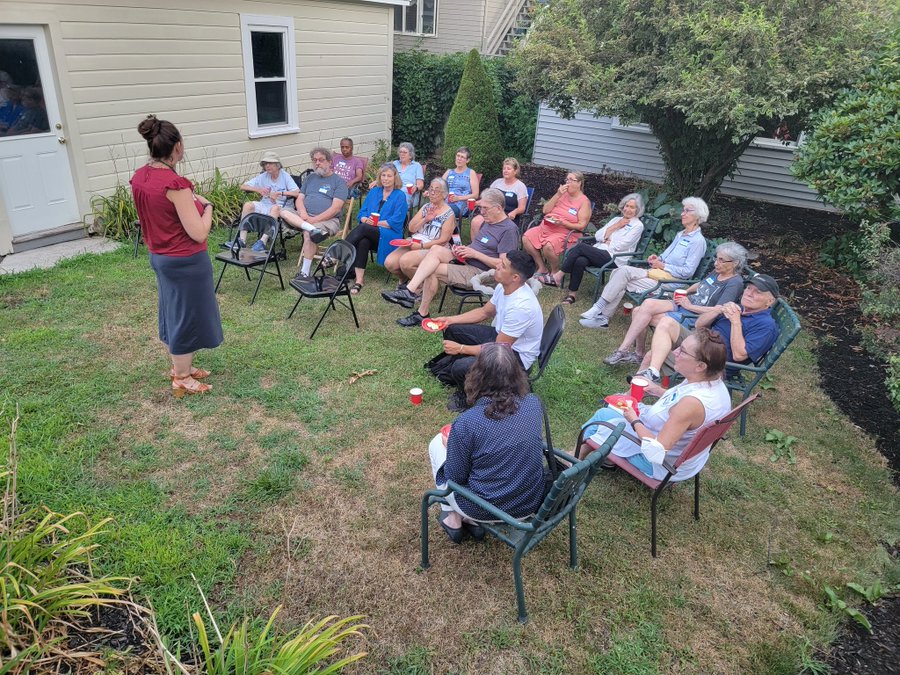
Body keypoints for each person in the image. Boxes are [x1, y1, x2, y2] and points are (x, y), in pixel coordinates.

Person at [129, 115, 222, 398]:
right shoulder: (174, 184)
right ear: (177, 147)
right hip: (185, 260)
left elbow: (161, 213)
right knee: (187, 316)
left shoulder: (141, 176)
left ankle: (184, 367)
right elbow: (198, 232)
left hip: (161, 256)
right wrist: (207, 210)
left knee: (174, 311)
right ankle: (181, 377)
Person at [428, 343, 551, 543]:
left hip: (483, 508)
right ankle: (468, 521)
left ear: (477, 374)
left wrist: (452, 446)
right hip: (529, 501)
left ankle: (454, 518)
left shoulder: (468, 422)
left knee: (436, 444)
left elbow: (455, 478)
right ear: (517, 374)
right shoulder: (533, 402)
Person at [576, 328, 732, 485]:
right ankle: (605, 458)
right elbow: (683, 410)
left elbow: (656, 451)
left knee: (603, 416)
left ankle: (574, 460)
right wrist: (658, 390)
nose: (675, 352)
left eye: (683, 351)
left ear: (700, 366)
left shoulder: (691, 404)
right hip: (686, 458)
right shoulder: (713, 383)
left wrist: (634, 420)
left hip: (660, 465)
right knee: (614, 406)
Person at [380, 188, 519, 328]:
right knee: (435, 249)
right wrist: (462, 249)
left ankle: (420, 311)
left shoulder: (509, 230)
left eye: (485, 208)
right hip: (466, 260)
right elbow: (479, 246)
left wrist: (475, 254)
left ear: (498, 208)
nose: (481, 212)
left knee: (432, 270)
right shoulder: (488, 221)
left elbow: (504, 265)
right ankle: (410, 291)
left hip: (481, 271)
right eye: (480, 208)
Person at [426, 250, 543, 411]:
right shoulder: (505, 287)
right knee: (453, 330)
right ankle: (462, 374)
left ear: (515, 277)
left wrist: (461, 348)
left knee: (460, 367)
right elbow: (484, 312)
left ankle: (469, 397)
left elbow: (499, 349)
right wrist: (450, 320)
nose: (497, 266)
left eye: (503, 266)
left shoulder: (521, 307)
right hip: (501, 339)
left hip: (515, 358)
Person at [603, 242, 748, 366]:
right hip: (685, 304)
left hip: (695, 317)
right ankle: (631, 352)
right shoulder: (717, 272)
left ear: (735, 263)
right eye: (717, 258)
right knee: (644, 306)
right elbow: (702, 284)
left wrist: (690, 306)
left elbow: (718, 310)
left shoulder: (735, 283)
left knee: (641, 314)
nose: (717, 262)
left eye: (722, 260)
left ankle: (631, 353)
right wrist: (685, 292)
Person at [580, 197, 709, 329]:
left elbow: (688, 272)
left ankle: (601, 315)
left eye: (687, 211)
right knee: (620, 270)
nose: (682, 213)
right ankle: (600, 312)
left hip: (668, 283)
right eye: (683, 210)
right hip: (656, 273)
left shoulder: (698, 242)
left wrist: (663, 266)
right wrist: (657, 258)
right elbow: (665, 256)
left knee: (621, 278)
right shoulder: (681, 234)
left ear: (698, 216)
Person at [634, 274, 781, 384]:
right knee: (666, 322)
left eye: (758, 292)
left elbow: (739, 355)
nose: (749, 293)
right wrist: (717, 310)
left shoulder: (766, 326)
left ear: (769, 301)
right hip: (702, 343)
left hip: (714, 364)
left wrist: (736, 322)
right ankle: (650, 375)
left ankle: (633, 395)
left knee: (652, 355)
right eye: (749, 288)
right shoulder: (739, 308)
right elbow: (699, 325)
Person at [556, 193, 646, 304]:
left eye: (632, 207)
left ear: (638, 210)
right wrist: (616, 226)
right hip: (601, 252)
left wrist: (608, 241)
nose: (627, 209)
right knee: (580, 261)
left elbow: (622, 246)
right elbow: (598, 235)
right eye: (626, 206)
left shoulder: (638, 226)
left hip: (615, 258)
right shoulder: (616, 220)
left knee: (580, 247)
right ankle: (572, 295)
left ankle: (559, 275)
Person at [281, 147, 348, 281]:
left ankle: (305, 273)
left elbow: (335, 209)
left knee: (308, 234)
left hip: (328, 221)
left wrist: (314, 219)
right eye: (314, 160)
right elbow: (299, 198)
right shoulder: (310, 178)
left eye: (321, 160)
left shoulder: (339, 182)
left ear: (329, 162)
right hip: (304, 217)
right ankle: (310, 228)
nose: (317, 163)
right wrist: (303, 213)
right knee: (281, 210)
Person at [344, 163, 408, 295]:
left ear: (395, 177)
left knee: (364, 229)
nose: (385, 178)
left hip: (390, 234)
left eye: (389, 176)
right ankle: (359, 280)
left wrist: (374, 223)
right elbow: (362, 213)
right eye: (383, 175)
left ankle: (341, 251)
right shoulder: (374, 192)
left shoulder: (400, 195)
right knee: (363, 241)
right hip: (371, 232)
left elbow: (396, 222)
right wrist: (364, 219)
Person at [384, 177, 456, 289]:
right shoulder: (426, 207)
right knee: (390, 263)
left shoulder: (449, 214)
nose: (432, 192)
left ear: (444, 194)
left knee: (405, 261)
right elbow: (412, 228)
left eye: (436, 190)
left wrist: (421, 246)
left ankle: (423, 288)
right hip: (414, 242)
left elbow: (443, 240)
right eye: (431, 189)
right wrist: (425, 219)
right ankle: (404, 280)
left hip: (432, 247)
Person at [522, 170, 592, 286]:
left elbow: (582, 225)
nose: (568, 182)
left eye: (571, 180)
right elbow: (545, 210)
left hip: (567, 232)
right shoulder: (562, 194)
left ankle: (554, 273)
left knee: (549, 245)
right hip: (547, 227)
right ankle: (542, 268)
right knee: (527, 237)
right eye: (567, 180)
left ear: (579, 183)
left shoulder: (584, 202)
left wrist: (564, 223)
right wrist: (558, 194)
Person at [226, 152, 299, 253]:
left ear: (277, 164)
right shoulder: (263, 176)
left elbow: (296, 192)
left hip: (282, 206)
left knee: (275, 208)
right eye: (265, 164)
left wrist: (279, 193)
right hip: (265, 204)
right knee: (248, 205)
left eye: (270, 163)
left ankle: (262, 242)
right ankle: (241, 240)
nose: (267, 166)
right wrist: (259, 190)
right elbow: (242, 186)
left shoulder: (285, 176)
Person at [470, 157, 529, 241]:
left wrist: (515, 212)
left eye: (509, 169)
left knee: (490, 225)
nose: (505, 170)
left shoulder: (520, 186)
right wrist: (475, 203)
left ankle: (488, 247)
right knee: (476, 222)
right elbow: (487, 198)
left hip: (507, 216)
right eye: (504, 168)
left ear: (515, 171)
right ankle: (476, 246)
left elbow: (522, 208)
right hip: (491, 212)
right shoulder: (497, 182)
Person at [372, 142, 424, 208]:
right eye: (400, 152)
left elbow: (420, 184)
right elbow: (384, 173)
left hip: (407, 193)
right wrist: (377, 181)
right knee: (377, 194)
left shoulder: (416, 166)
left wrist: (416, 187)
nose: (402, 154)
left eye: (405, 152)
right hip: (392, 190)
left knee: (391, 201)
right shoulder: (394, 164)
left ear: (410, 155)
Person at [441, 147, 480, 220]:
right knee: (429, 209)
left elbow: (475, 195)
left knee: (442, 211)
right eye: (458, 156)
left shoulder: (471, 173)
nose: (459, 158)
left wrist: (458, 198)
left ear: (467, 160)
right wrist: (430, 191)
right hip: (444, 202)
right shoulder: (449, 172)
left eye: (462, 157)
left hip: (461, 205)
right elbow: (439, 186)